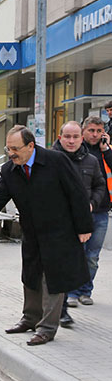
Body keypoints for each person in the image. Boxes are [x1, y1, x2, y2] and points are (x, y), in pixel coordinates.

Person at [0, 125, 92, 346]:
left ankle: (47, 328)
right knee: (30, 276)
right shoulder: (11, 169)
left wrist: (84, 227)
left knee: (53, 280)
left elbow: (77, 192)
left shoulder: (55, 161)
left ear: (31, 146)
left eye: (15, 148)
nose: (10, 153)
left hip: (60, 232)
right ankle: (30, 318)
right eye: (8, 148)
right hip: (31, 232)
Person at [52, 121, 106, 328]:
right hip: (59, 222)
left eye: (75, 137)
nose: (72, 141)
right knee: (62, 264)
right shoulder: (50, 159)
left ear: (81, 138)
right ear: (60, 137)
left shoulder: (91, 161)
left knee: (87, 259)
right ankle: (62, 308)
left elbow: (100, 184)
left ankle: (78, 294)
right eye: (67, 136)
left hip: (85, 220)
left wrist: (92, 203)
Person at [65, 116, 112, 307]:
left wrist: (107, 150)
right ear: (83, 131)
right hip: (78, 212)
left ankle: (86, 291)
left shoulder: (105, 152)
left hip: (101, 211)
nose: (95, 134)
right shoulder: (77, 151)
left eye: (99, 131)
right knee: (78, 252)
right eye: (91, 130)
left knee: (92, 256)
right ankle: (73, 292)